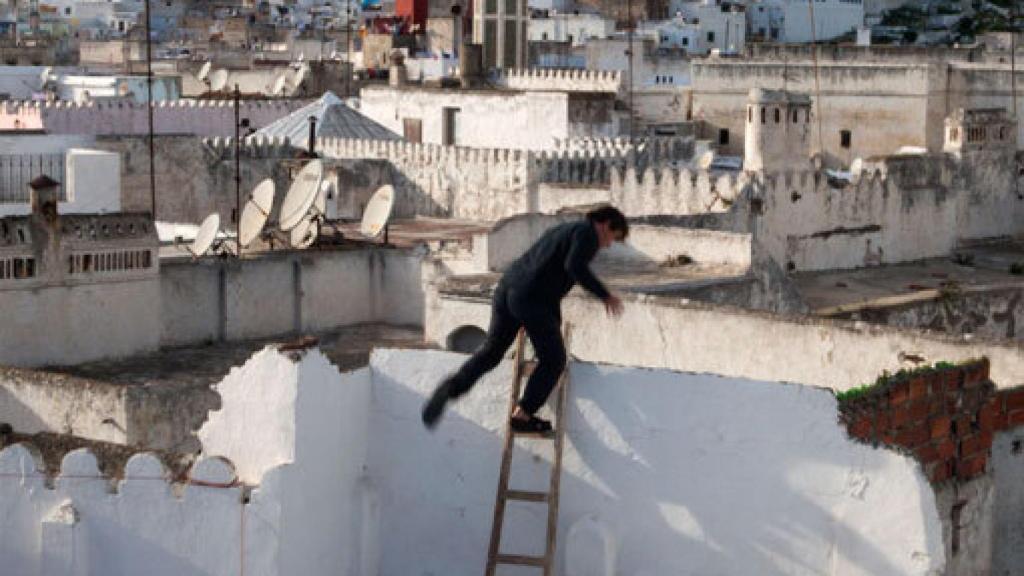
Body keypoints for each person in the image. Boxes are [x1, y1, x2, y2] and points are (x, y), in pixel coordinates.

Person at [422, 206, 628, 433]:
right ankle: (523, 414)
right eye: (611, 238)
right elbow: (574, 267)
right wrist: (605, 295)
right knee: (554, 360)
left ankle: (451, 388)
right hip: (532, 299)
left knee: (491, 352)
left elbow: (548, 271)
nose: (607, 245)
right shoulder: (587, 234)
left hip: (507, 289)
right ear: (606, 224)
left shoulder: (564, 229)